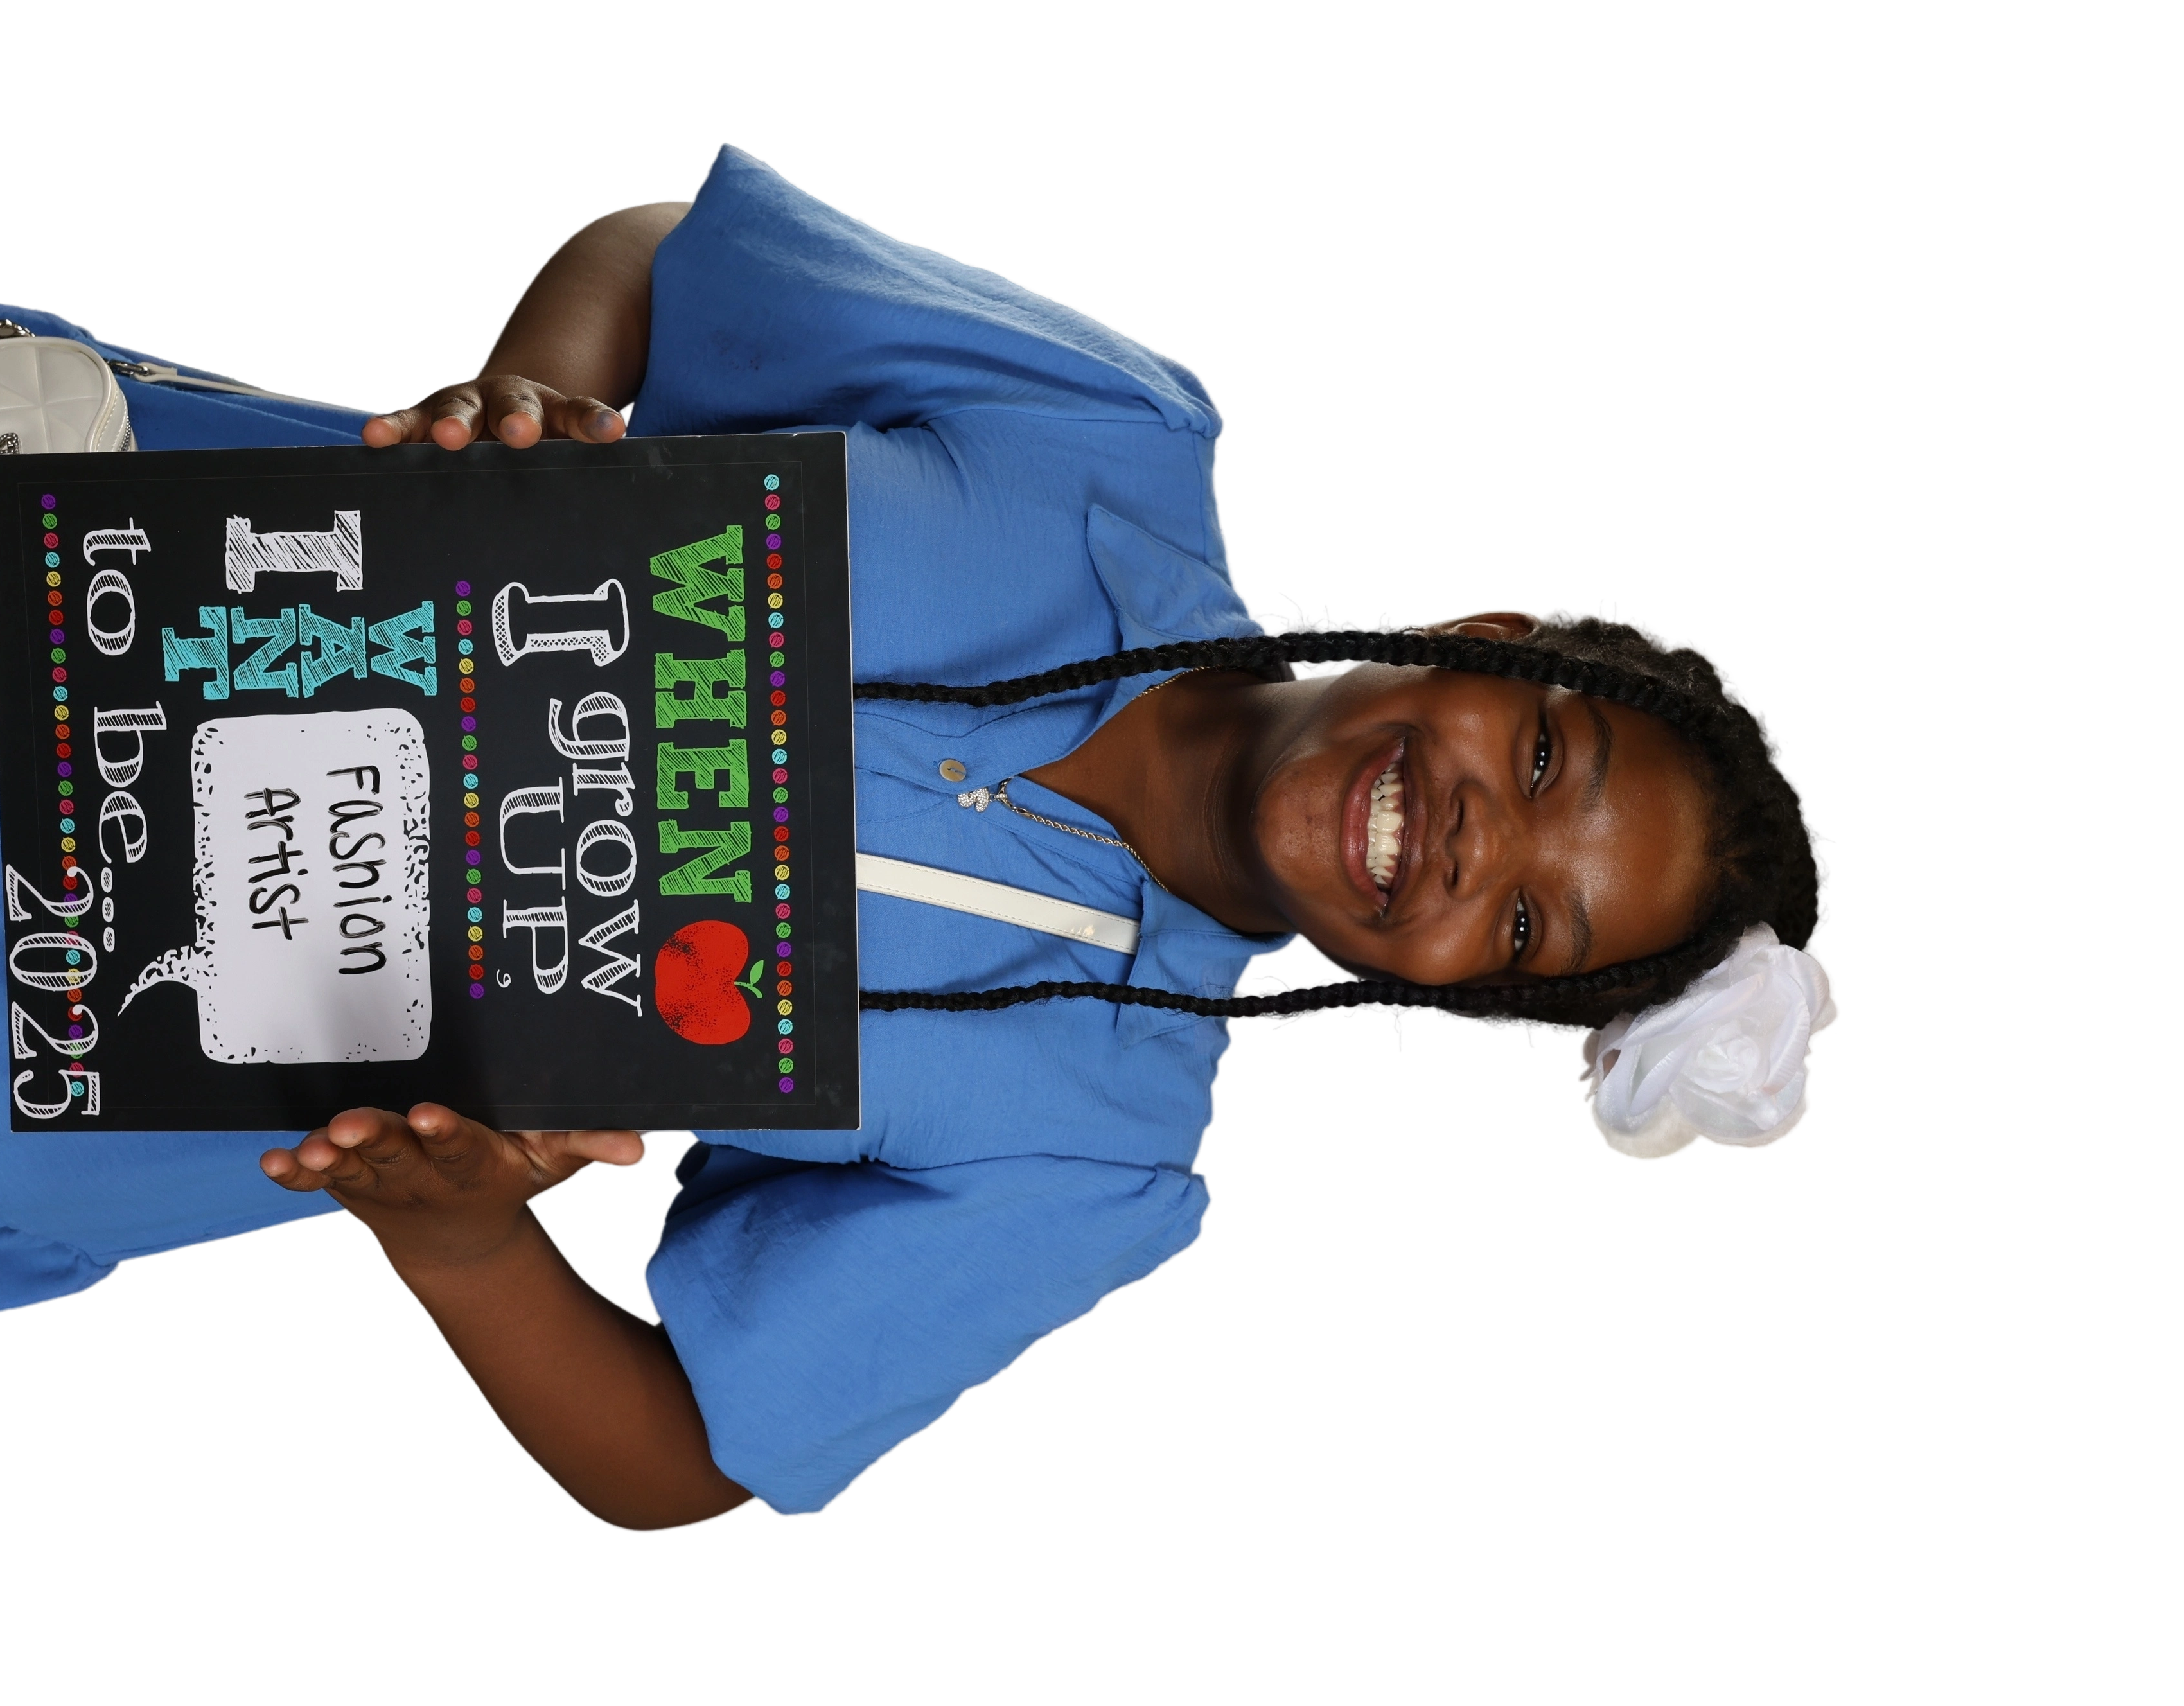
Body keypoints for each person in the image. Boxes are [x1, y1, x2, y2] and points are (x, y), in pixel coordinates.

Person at [249, 145, 1839, 1529]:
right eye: (1546, 756)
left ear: (1458, 998)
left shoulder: (1092, 1147)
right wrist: (533, 403)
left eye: (1523, 929)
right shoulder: (1106, 429)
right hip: (159, 524)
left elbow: (678, 1459)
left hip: (127, 1047)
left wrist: (458, 1240)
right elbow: (664, 256)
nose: (1480, 845)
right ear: (1486, 642)